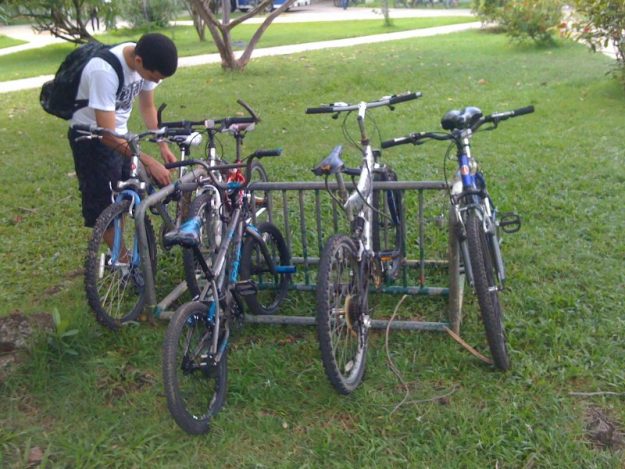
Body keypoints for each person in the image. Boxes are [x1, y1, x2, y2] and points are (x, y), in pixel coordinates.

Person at [68, 33, 178, 230]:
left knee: (126, 194)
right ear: (138, 61)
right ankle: (119, 249)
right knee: (103, 207)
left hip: (122, 136)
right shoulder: (104, 71)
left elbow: (147, 107)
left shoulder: (146, 59)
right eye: (153, 77)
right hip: (91, 138)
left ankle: (120, 241)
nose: (155, 82)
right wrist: (150, 161)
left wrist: (162, 145)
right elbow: (106, 135)